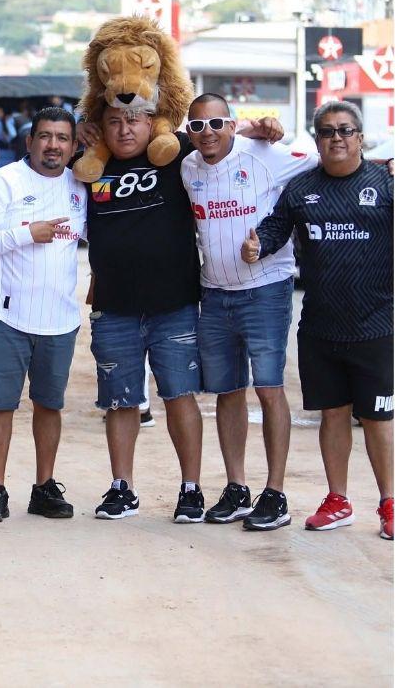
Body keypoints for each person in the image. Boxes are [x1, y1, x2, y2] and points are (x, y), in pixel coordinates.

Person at [77, 107, 281, 522]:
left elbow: (215, 134)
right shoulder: (88, 166)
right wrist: (81, 123)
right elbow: (59, 139)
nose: (125, 129)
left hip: (175, 305)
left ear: (152, 124)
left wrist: (258, 127)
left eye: (134, 120)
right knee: (120, 401)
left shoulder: (175, 157)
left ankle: (191, 489)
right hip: (114, 307)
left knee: (179, 396)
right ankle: (122, 488)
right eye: (115, 121)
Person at [243, 100, 393, 539]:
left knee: (379, 420)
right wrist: (258, 246)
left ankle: (388, 503)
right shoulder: (302, 189)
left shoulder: (384, 185)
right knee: (333, 415)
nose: (337, 139)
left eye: (346, 130)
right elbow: (274, 228)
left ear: (360, 138)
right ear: (317, 139)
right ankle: (338, 500)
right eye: (327, 132)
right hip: (321, 327)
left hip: (376, 326)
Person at [180, 94, 313, 531]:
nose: (208, 133)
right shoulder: (188, 168)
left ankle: (275, 493)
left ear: (233, 125)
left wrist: (272, 130)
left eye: (217, 123)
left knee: (270, 389)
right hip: (214, 294)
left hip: (266, 289)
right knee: (227, 392)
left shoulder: (263, 155)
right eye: (197, 127)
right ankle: (237, 487)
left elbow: (316, 153)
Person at [0, 108, 86, 523]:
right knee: (0, 406)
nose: (53, 145)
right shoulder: (4, 181)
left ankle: (43, 487)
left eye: (62, 138)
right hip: (6, 316)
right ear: (30, 140)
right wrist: (26, 233)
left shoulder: (80, 184)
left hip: (60, 318)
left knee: (48, 405)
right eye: (46, 136)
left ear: (73, 145)